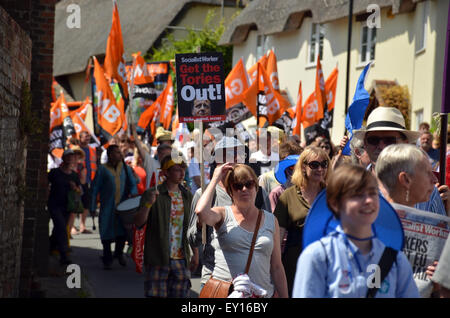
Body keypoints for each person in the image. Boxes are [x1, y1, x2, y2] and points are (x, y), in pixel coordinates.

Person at [292, 164, 420, 298]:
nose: (368, 200)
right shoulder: (318, 257)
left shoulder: (396, 261)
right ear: (335, 203)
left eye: (372, 193)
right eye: (358, 195)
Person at [187, 136, 272, 288]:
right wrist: (202, 222)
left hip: (251, 278)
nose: (233, 160)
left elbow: (270, 236)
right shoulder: (204, 195)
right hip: (216, 278)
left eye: (238, 154)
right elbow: (193, 240)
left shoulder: (257, 193)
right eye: (226, 155)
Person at [195, 163, 288, 298]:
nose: (244, 189)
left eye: (249, 184)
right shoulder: (222, 214)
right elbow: (201, 211)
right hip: (227, 294)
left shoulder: (271, 220)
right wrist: (215, 178)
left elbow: (277, 267)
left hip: (261, 295)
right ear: (230, 191)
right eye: (238, 186)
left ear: (256, 187)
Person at [352, 106, 450, 216]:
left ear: (405, 143)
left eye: (389, 140)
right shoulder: (352, 187)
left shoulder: (428, 189)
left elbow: (441, 231)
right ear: (365, 144)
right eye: (373, 140)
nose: (380, 146)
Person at [134, 155, 196, 298]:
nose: (181, 173)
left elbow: (192, 228)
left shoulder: (187, 196)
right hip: (158, 258)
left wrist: (195, 254)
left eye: (183, 169)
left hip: (181, 258)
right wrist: (148, 204)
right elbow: (138, 222)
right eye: (177, 170)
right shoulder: (152, 193)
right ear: (166, 172)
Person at [274, 146, 330, 296]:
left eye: (324, 164)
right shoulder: (288, 196)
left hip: (326, 264)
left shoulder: (333, 195)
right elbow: (277, 240)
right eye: (314, 165)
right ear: (303, 167)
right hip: (295, 266)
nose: (320, 169)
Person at [90, 145, 138, 269]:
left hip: (122, 206)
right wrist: (92, 205)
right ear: (110, 155)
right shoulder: (102, 169)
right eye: (117, 152)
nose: (120, 154)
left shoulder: (125, 169)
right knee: (106, 231)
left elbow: (133, 183)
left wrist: (133, 193)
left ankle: (118, 253)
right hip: (107, 206)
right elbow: (95, 189)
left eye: (120, 152)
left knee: (122, 232)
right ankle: (107, 257)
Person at [48, 149, 81, 265]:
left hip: (67, 206)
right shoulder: (54, 172)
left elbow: (80, 191)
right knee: (62, 227)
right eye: (68, 156)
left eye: (72, 156)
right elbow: (46, 184)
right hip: (54, 204)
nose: (70, 158)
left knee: (58, 229)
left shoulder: (74, 176)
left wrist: (75, 188)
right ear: (63, 158)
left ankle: (50, 246)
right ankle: (64, 254)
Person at [79, 131, 97, 233]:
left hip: (90, 180)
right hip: (80, 179)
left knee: (86, 203)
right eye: (86, 137)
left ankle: (82, 225)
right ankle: (72, 227)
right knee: (76, 203)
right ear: (80, 138)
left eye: (89, 137)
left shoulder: (92, 150)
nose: (88, 138)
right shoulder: (77, 150)